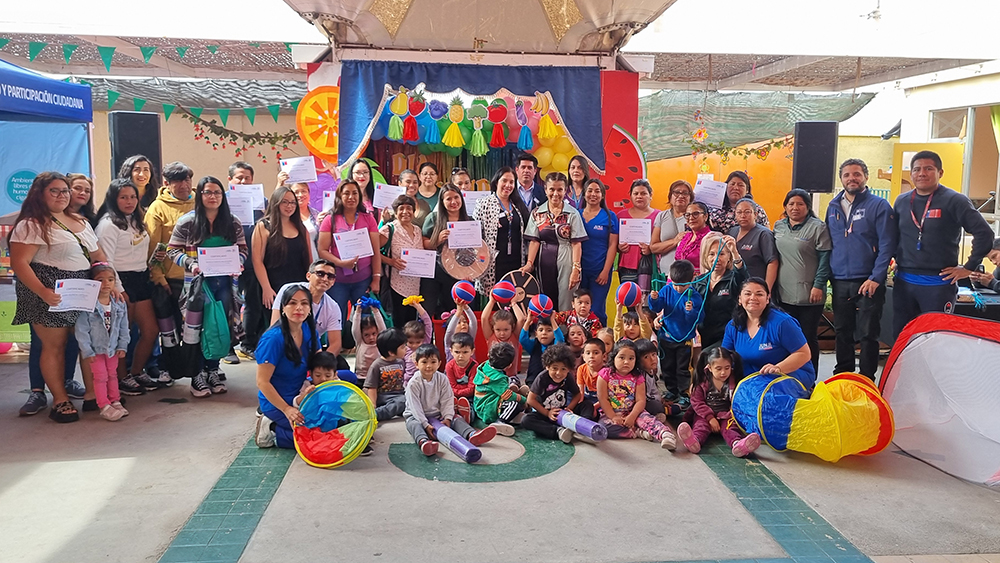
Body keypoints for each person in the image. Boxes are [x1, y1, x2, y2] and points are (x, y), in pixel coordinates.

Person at [10, 172, 117, 422]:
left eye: (64, 191)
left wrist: (115, 286)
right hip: (48, 290)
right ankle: (60, 400)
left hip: (83, 288)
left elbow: (99, 258)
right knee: (54, 347)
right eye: (54, 191)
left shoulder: (80, 221)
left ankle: (93, 395)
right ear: (40, 193)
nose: (62, 195)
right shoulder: (31, 224)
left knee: (87, 344)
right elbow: (20, 263)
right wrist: (44, 292)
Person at [892, 150, 994, 337]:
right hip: (904, 283)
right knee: (902, 337)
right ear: (912, 174)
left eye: (928, 168)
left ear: (940, 172)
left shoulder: (955, 200)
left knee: (935, 338)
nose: (922, 173)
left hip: (938, 284)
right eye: (917, 169)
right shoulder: (902, 201)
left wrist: (969, 267)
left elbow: (985, 234)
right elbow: (892, 235)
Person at [166, 176, 247, 396]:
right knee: (197, 329)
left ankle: (213, 369)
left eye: (217, 192)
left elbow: (242, 250)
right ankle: (197, 375)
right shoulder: (187, 221)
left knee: (220, 327)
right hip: (198, 286)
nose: (213, 197)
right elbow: (172, 250)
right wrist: (191, 264)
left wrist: (238, 263)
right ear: (199, 195)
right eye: (208, 192)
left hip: (226, 285)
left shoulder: (233, 221)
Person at [826, 159, 897, 379]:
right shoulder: (832, 206)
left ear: (866, 177)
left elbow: (887, 244)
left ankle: (867, 378)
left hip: (868, 280)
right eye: (847, 175)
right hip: (839, 280)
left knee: (868, 334)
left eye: (856, 174)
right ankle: (844, 374)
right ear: (841, 179)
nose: (851, 178)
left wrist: (876, 277)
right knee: (842, 332)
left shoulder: (879, 205)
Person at [95, 179, 159, 393]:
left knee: (151, 331)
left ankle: (137, 371)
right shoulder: (107, 224)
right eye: (123, 197)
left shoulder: (137, 219)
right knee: (123, 333)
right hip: (120, 282)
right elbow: (106, 260)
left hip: (141, 278)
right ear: (114, 199)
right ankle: (121, 378)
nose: (129, 201)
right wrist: (118, 287)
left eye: (133, 197)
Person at [145, 161, 194, 384]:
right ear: (167, 183)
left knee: (194, 330)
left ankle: (198, 370)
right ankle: (167, 368)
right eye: (178, 181)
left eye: (187, 179)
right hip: (168, 281)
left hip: (196, 278)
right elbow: (153, 247)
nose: (184, 185)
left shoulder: (200, 202)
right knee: (169, 328)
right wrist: (159, 277)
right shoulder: (157, 209)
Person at [254, 285, 319, 448]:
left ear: (310, 308)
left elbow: (319, 360)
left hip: (302, 389)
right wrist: (287, 409)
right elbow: (262, 382)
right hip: (279, 401)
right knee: (314, 438)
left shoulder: (308, 328)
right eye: (292, 303)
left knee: (348, 378)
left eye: (304, 303)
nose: (299, 308)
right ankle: (272, 426)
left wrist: (329, 379)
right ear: (283, 308)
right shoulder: (272, 339)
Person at [774, 189, 832, 372]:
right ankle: (789, 374)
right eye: (791, 204)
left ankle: (810, 376)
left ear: (807, 206)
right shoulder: (778, 226)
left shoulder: (818, 227)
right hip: (783, 293)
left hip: (810, 294)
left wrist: (818, 285)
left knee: (807, 336)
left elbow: (825, 260)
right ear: (785, 206)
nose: (795, 208)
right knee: (787, 337)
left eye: (800, 204)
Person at [404, 344, 497, 456]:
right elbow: (415, 407)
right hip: (416, 416)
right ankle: (424, 442)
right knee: (414, 425)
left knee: (456, 418)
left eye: (433, 362)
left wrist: (447, 417)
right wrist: (425, 424)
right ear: (416, 364)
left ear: (439, 363)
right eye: (424, 362)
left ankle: (471, 434)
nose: (429, 366)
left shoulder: (442, 379)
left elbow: (447, 399)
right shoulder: (414, 383)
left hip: (438, 414)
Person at [722, 278, 815, 388]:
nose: (753, 298)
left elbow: (804, 354)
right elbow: (725, 356)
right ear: (740, 299)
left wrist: (778, 368)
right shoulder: (733, 326)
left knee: (765, 397)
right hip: (752, 376)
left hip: (788, 374)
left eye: (759, 294)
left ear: (767, 299)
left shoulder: (783, 323)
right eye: (747, 293)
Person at [317, 180, 382, 326]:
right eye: (346, 193)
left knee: (364, 320)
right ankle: (336, 347)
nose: (351, 197)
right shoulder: (330, 219)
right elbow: (322, 250)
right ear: (339, 196)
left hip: (363, 280)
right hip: (337, 280)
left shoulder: (368, 218)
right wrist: (340, 263)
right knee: (336, 318)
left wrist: (376, 278)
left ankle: (362, 348)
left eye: (355, 193)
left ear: (359, 196)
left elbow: (375, 251)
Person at [676, 347, 761, 457]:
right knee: (700, 426)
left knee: (731, 429)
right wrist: (710, 418)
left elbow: (739, 401)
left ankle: (738, 444)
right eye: (718, 368)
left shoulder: (735, 380)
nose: (723, 372)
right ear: (709, 368)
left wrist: (731, 413)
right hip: (704, 415)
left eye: (727, 368)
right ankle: (694, 441)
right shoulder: (702, 379)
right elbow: (697, 401)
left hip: (726, 415)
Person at [521, 173, 587, 311]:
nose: (555, 194)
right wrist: (529, 264)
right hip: (543, 261)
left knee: (566, 299)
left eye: (559, 190)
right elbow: (534, 241)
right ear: (545, 189)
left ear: (566, 190)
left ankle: (564, 331)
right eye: (552, 189)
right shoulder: (537, 213)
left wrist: (576, 268)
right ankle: (546, 330)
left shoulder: (572, 214)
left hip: (566, 260)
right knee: (545, 299)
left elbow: (576, 243)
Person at [252, 187, 312, 337]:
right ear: (276, 203)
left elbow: (309, 261)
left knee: (299, 329)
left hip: (298, 285)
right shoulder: (264, 226)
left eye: (292, 202)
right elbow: (257, 260)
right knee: (277, 331)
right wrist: (266, 287)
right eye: (284, 202)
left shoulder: (301, 227)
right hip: (273, 287)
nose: (289, 206)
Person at [596, 340, 676, 449]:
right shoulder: (605, 374)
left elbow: (640, 401)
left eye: (631, 358)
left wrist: (632, 416)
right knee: (603, 427)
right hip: (611, 414)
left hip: (634, 412)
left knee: (647, 420)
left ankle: (666, 435)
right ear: (613, 357)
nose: (626, 362)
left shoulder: (638, 377)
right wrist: (613, 416)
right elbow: (603, 399)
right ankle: (638, 432)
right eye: (622, 357)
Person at [74, 263, 130, 421]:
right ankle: (103, 404)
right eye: (100, 280)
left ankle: (115, 400)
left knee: (112, 374)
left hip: (112, 348)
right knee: (100, 376)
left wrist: (122, 345)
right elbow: (81, 330)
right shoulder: (87, 306)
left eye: (110, 280)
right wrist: (87, 351)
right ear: (92, 283)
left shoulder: (119, 303)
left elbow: (124, 327)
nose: (106, 284)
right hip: (95, 350)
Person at [649, 260, 704, 408]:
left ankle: (684, 393)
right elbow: (657, 306)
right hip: (667, 336)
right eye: (675, 284)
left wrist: (690, 312)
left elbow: (699, 318)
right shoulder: (666, 290)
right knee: (667, 365)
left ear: (692, 279)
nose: (679, 288)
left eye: (683, 285)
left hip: (684, 339)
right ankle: (671, 391)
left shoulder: (695, 296)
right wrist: (653, 299)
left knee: (683, 368)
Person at [522, 343, 596, 443]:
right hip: (545, 413)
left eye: (563, 369)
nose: (559, 373)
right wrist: (547, 413)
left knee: (587, 404)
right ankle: (558, 432)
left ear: (568, 369)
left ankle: (584, 427)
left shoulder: (567, 377)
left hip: (563, 412)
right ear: (547, 367)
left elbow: (577, 394)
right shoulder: (542, 378)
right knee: (526, 420)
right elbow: (530, 399)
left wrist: (569, 408)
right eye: (555, 368)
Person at [270, 260, 344, 356]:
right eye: (320, 274)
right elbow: (274, 326)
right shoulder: (287, 290)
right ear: (308, 276)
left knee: (339, 365)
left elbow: (335, 344)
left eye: (330, 276)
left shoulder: (333, 307)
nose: (325, 279)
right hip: (284, 344)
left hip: (311, 350)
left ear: (333, 282)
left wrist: (321, 364)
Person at [228, 161, 263, 363]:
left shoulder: (260, 200)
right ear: (230, 180)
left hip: (252, 261)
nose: (243, 181)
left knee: (253, 304)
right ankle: (228, 347)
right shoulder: (221, 200)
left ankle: (248, 344)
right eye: (239, 177)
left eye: (247, 178)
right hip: (226, 261)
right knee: (228, 304)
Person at [421, 184, 474, 317]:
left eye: (456, 197)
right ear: (442, 202)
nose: (453, 202)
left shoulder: (470, 221)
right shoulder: (433, 218)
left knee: (457, 312)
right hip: (435, 274)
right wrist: (437, 240)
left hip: (459, 274)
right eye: (448, 199)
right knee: (429, 311)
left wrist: (471, 272)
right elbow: (423, 244)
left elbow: (476, 251)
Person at [474, 167, 528, 296]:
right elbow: (476, 237)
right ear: (496, 182)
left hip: (515, 261)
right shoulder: (483, 204)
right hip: (493, 263)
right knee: (495, 299)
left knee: (513, 298)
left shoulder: (518, 205)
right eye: (504, 181)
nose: (508, 185)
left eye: (512, 182)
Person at [694, 233, 747, 350]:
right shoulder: (699, 281)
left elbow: (743, 276)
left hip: (727, 336)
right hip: (704, 335)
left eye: (721, 254)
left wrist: (735, 251)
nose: (716, 258)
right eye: (711, 254)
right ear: (705, 257)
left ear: (729, 257)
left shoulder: (734, 278)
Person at [379, 195, 425, 326]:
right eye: (401, 208)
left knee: (412, 324)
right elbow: (372, 250)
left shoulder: (418, 230)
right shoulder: (389, 229)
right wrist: (391, 261)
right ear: (395, 212)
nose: (405, 212)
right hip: (396, 286)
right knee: (398, 324)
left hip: (415, 287)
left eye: (409, 208)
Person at [577, 179, 618, 325]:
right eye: (589, 190)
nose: (593, 194)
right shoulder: (576, 214)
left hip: (599, 271)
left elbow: (613, 245)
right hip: (580, 272)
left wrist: (606, 271)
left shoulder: (609, 217)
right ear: (584, 193)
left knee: (597, 310)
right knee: (580, 309)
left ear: (602, 195)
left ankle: (602, 344)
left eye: (597, 191)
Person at [473, 341, 527, 436]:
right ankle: (500, 422)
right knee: (514, 404)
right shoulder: (497, 379)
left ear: (488, 355)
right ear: (509, 365)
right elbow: (508, 396)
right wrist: (523, 400)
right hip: (488, 410)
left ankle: (513, 415)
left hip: (481, 404)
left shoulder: (485, 365)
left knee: (511, 382)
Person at [616, 179, 659, 293]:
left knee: (648, 303)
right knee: (629, 300)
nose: (639, 196)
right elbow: (612, 242)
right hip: (627, 266)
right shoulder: (621, 216)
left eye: (643, 193)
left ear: (650, 195)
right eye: (636, 193)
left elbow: (663, 241)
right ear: (630, 195)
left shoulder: (659, 216)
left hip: (651, 266)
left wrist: (652, 248)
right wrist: (618, 248)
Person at [729, 198, 778, 289]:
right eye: (739, 212)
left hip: (756, 286)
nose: (743, 216)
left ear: (755, 214)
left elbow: (773, 262)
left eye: (747, 212)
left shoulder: (763, 234)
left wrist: (767, 289)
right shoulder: (732, 232)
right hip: (735, 286)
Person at [363, 327, 409, 422]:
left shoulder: (401, 362)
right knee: (402, 402)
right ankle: (376, 414)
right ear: (391, 352)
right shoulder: (377, 365)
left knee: (409, 401)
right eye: (403, 347)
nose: (406, 349)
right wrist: (373, 405)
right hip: (383, 396)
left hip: (399, 394)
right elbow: (372, 387)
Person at [650, 180, 693, 277]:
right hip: (665, 273)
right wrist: (675, 241)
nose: (681, 196)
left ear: (690, 198)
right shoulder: (661, 216)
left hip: (690, 274)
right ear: (670, 196)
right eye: (676, 192)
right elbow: (653, 247)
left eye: (685, 193)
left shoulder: (694, 217)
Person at [481, 296, 526, 379]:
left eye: (506, 329)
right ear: (493, 328)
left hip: (511, 377)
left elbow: (521, 319)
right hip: (492, 376)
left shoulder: (514, 336)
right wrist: (491, 301)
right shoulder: (490, 336)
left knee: (513, 388)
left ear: (512, 327)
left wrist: (514, 303)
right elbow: (484, 318)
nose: (502, 333)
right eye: (498, 330)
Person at [520, 313, 565, 386]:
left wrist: (552, 320)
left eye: (549, 330)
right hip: (533, 380)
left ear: (554, 334)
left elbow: (560, 340)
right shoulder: (533, 345)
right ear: (536, 334)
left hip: (551, 382)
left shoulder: (555, 347)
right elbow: (522, 340)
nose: (544, 333)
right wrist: (528, 321)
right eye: (541, 330)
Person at [350, 300, 387, 386]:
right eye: (366, 335)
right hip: (361, 378)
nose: (371, 337)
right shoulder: (360, 342)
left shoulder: (380, 342)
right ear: (361, 334)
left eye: (374, 334)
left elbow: (382, 327)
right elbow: (355, 329)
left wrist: (376, 311)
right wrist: (358, 311)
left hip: (378, 378)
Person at [445, 332, 477, 423]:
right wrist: (462, 389)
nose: (461, 356)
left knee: (472, 410)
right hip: (453, 396)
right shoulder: (449, 366)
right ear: (451, 351)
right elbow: (451, 386)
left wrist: (457, 390)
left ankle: (466, 416)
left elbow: (472, 389)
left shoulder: (474, 366)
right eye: (457, 352)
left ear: (472, 351)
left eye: (465, 352)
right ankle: (454, 412)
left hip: (470, 397)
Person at [674, 201, 712, 273]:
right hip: (679, 281)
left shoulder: (711, 238)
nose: (691, 218)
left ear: (705, 216)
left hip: (700, 282)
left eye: (695, 214)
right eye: (687, 215)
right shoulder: (685, 237)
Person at [634, 338, 667, 422]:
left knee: (658, 403)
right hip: (639, 402)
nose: (652, 359)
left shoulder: (650, 371)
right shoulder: (641, 375)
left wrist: (659, 398)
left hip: (649, 399)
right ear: (638, 361)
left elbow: (654, 389)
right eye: (646, 357)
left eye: (654, 354)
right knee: (656, 406)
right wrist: (657, 400)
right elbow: (645, 396)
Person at [400, 301, 432, 385]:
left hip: (425, 381)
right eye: (410, 342)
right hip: (409, 383)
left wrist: (418, 307)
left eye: (418, 342)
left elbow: (428, 323)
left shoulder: (425, 345)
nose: (414, 345)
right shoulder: (404, 350)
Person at [290, 182, 320, 262]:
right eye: (296, 192)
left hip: (316, 262)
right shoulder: (288, 217)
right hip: (295, 263)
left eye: (303, 191)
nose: (300, 195)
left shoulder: (317, 215)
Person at [576, 337, 605, 414]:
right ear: (583, 356)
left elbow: (608, 397)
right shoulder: (581, 369)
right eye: (588, 353)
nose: (591, 356)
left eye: (596, 353)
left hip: (603, 401)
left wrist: (593, 407)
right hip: (588, 398)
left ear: (604, 356)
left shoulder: (607, 372)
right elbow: (580, 392)